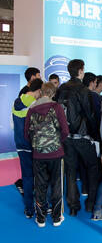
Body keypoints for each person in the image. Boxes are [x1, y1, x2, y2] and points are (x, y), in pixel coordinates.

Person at [55, 59, 100, 216]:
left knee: (71, 171)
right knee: (93, 168)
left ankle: (73, 206)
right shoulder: (83, 90)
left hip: (65, 137)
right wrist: (95, 135)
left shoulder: (61, 89)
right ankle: (90, 203)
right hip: (82, 136)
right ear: (81, 71)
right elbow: (90, 115)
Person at [24, 82, 69, 227]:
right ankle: (56, 217)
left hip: (38, 154)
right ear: (53, 93)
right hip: (56, 153)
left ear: (41, 92)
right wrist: (56, 143)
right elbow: (65, 131)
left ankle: (41, 218)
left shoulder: (31, 109)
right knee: (57, 185)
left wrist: (37, 145)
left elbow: (26, 134)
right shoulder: (57, 107)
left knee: (40, 185)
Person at [12, 78, 43, 218]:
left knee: (27, 176)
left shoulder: (16, 101)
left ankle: (29, 209)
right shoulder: (35, 104)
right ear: (39, 91)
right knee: (40, 177)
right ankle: (41, 207)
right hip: (33, 145)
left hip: (20, 143)